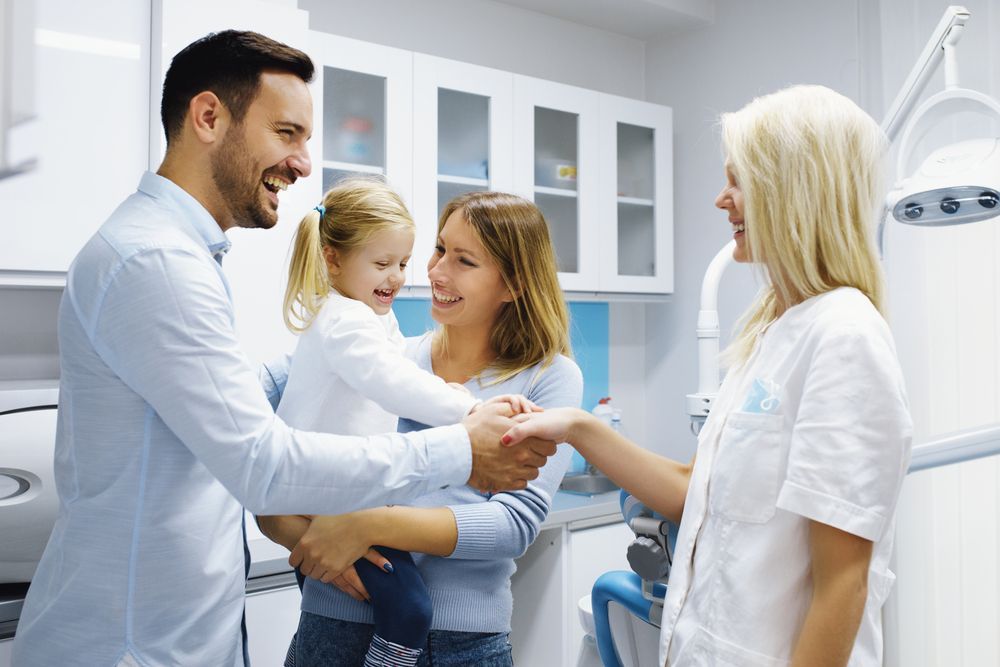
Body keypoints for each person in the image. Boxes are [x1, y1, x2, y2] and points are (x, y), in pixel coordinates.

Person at [12, 31, 556, 667]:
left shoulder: (176, 252)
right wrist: (462, 445)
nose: (302, 162)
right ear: (209, 117)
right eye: (287, 133)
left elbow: (228, 395)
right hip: (133, 646)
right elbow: (265, 469)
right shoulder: (156, 261)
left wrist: (314, 363)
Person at [502, 85, 913, 666]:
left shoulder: (843, 336)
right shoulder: (775, 331)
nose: (723, 200)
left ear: (793, 187)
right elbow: (697, 493)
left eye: (739, 180)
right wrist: (574, 426)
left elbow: (842, 584)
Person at [259, 191, 584, 666]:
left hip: (463, 643)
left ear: (512, 285)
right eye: (438, 249)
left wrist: (364, 525)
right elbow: (258, 457)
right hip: (333, 622)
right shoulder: (383, 359)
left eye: (464, 261)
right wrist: (299, 533)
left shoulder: (548, 378)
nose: (434, 271)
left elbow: (512, 525)